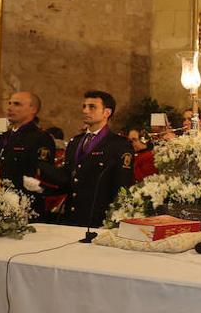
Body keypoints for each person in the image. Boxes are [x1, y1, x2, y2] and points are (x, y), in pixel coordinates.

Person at [36, 91, 133, 229]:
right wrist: (41, 184)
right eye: (84, 106)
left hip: (99, 219)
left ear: (107, 112)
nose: (85, 110)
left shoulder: (118, 144)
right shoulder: (76, 142)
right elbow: (68, 177)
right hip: (72, 217)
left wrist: (118, 218)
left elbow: (123, 185)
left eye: (92, 107)